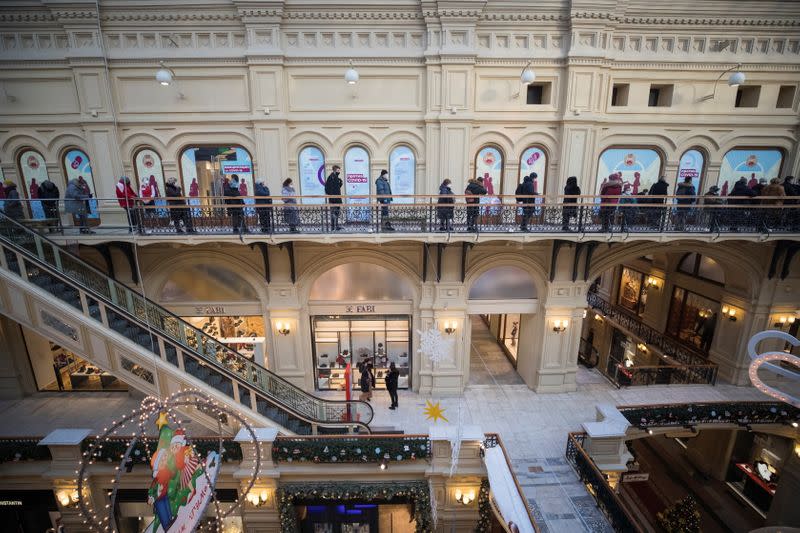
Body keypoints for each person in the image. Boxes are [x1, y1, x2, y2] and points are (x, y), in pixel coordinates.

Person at [325, 165, 343, 230]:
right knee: (333, 213)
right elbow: (327, 188)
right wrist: (331, 195)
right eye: (338, 170)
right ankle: (333, 227)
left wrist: (340, 183)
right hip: (334, 199)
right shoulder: (331, 177)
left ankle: (336, 226)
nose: (339, 172)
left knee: (336, 213)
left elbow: (337, 188)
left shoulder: (336, 177)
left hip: (336, 199)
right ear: (335, 170)